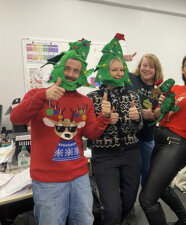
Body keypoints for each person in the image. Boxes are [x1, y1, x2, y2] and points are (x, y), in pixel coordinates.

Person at [10, 39, 111, 225]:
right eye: (67, 69)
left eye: (76, 71)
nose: (71, 75)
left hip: (79, 176)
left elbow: (92, 133)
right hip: (48, 180)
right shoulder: (37, 95)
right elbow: (16, 118)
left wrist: (104, 117)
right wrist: (42, 97)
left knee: (84, 221)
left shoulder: (85, 102)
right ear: (59, 68)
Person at [139, 51, 186, 225]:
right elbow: (158, 114)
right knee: (162, 188)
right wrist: (162, 106)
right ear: (183, 70)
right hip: (159, 139)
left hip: (177, 144)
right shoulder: (175, 88)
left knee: (147, 199)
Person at [87, 34, 143, 225]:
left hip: (131, 154)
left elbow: (139, 127)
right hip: (104, 157)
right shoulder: (92, 97)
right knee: (112, 208)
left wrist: (137, 120)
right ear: (105, 70)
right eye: (114, 69)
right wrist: (103, 119)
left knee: (128, 202)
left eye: (121, 69)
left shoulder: (132, 94)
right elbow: (89, 132)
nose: (119, 73)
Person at [125, 53, 164, 186]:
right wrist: (122, 58)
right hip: (127, 137)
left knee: (147, 173)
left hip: (147, 138)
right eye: (144, 65)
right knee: (129, 174)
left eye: (151, 67)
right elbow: (108, 66)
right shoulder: (130, 78)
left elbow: (161, 114)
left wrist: (152, 116)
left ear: (156, 70)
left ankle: (146, 203)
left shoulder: (159, 90)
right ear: (139, 66)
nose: (147, 69)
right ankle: (128, 203)